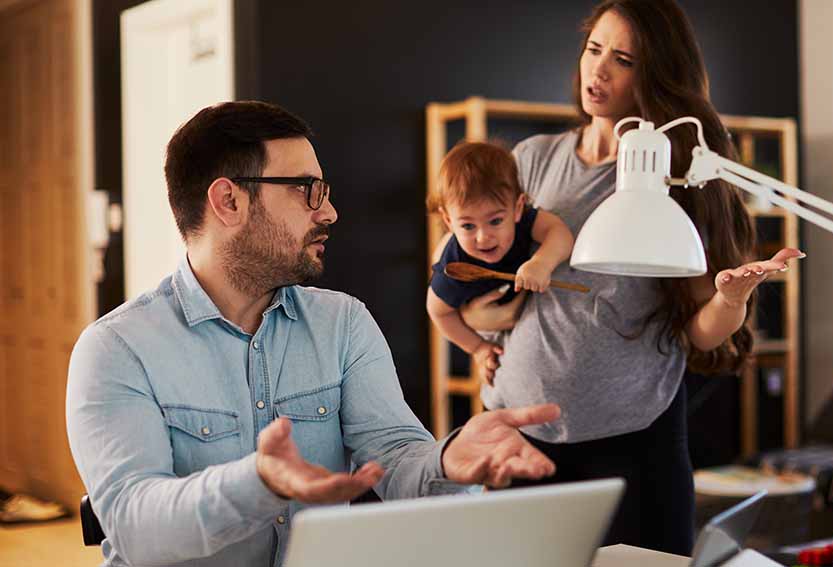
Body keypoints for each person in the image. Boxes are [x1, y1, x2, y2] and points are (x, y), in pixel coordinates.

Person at [65, 101, 560, 567]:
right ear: (229, 200)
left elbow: (397, 455)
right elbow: (134, 524)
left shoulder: (343, 324)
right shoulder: (117, 349)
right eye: (308, 190)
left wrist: (448, 459)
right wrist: (255, 482)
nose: (329, 213)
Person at [458, 0, 804, 554]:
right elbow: (471, 286)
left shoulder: (679, 174)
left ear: (658, 74)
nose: (598, 71)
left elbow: (701, 333)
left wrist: (731, 299)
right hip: (517, 430)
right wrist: (477, 331)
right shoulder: (531, 159)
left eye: (623, 59)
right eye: (594, 49)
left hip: (632, 442)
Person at [427, 141, 574, 384]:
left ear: (517, 208)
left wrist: (542, 263)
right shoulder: (453, 269)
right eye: (467, 226)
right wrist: (477, 348)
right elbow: (438, 312)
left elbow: (559, 233)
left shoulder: (525, 220)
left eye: (495, 221)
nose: (483, 237)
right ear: (448, 221)